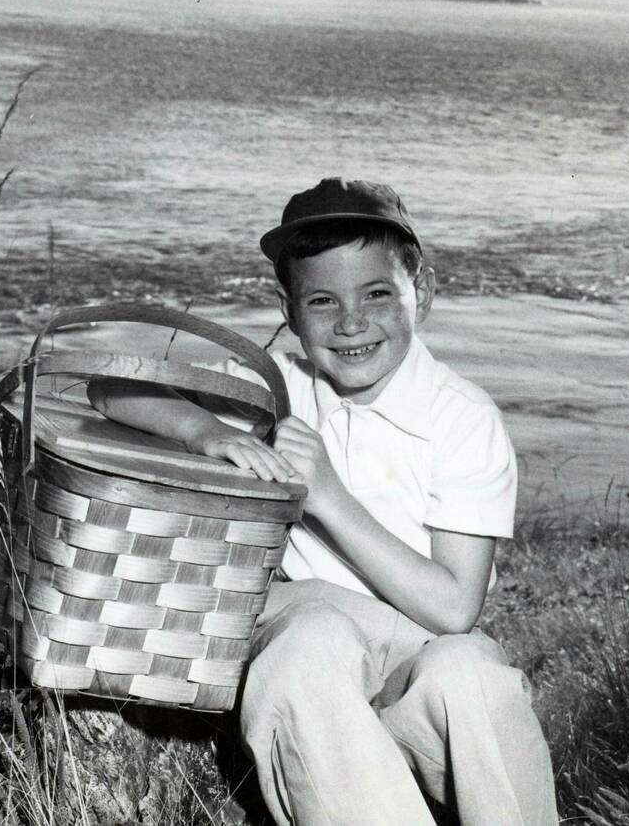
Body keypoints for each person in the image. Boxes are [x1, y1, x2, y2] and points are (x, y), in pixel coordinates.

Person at [89, 179, 557, 826]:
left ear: (421, 287)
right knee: (301, 649)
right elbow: (113, 386)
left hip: (421, 658)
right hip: (320, 651)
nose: (352, 322)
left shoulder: (462, 417)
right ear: (288, 308)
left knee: (469, 676)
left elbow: (454, 607)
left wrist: (329, 498)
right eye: (322, 300)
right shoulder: (282, 388)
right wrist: (210, 430)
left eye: (377, 293)